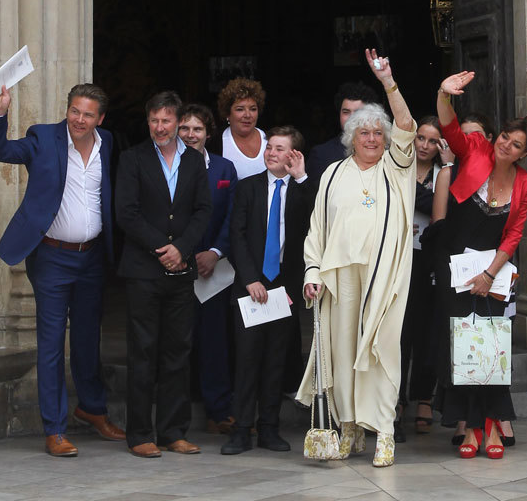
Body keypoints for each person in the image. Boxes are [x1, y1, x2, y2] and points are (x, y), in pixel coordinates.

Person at [0, 82, 125, 458]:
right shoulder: (43, 138)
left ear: (100, 119)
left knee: (87, 339)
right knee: (50, 343)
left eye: (88, 114)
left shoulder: (107, 143)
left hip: (92, 257)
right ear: (67, 110)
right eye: (75, 111)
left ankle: (92, 409)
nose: (79, 119)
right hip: (52, 258)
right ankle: (55, 429)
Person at [297, 49, 416, 468]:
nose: (371, 139)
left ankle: (384, 430)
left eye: (378, 133)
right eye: (363, 132)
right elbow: (317, 229)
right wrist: (312, 272)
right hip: (340, 278)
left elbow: (406, 125)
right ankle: (349, 426)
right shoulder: (333, 174)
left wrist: (388, 82)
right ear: (351, 136)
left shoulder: (397, 168)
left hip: (383, 278)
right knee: (343, 354)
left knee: (381, 352)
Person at [432, 74, 527, 460]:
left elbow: (513, 235)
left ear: (523, 153)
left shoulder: (526, 186)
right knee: (464, 345)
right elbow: (449, 126)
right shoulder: (476, 149)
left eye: (516, 144)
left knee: (492, 346)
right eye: (505, 137)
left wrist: (490, 274)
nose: (506, 145)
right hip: (456, 267)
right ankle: (472, 427)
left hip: (493, 270)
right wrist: (444, 94)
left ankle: (492, 424)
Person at [115, 90, 211, 458]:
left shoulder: (194, 161)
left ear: (177, 121)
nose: (159, 127)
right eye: (154, 120)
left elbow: (203, 211)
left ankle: (173, 432)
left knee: (177, 352)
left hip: (181, 272)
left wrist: (182, 249)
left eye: (166, 120)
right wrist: (163, 249)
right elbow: (126, 213)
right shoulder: (132, 158)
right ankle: (140, 433)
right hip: (143, 271)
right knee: (143, 352)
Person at [223, 126, 310, 455]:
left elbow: (316, 221)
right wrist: (249, 278)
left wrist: (301, 178)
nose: (271, 153)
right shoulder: (248, 188)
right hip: (251, 284)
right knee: (247, 358)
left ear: (294, 155)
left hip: (284, 286)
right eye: (269, 147)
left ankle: (269, 428)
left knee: (276, 359)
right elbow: (236, 234)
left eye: (279, 148)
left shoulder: (303, 189)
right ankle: (241, 429)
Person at [177, 102, 238, 434]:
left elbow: (233, 216)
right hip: (175, 266)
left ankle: (219, 410)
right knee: (176, 342)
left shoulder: (225, 169)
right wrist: (182, 254)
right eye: (184, 128)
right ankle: (175, 414)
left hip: (213, 271)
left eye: (197, 128)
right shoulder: (166, 166)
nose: (190, 134)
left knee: (215, 341)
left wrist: (215, 252)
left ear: (208, 133)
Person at [397, 116, 453, 438]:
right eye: (421, 138)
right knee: (400, 331)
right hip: (399, 259)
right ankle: (396, 398)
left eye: (433, 141)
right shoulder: (398, 166)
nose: (425, 146)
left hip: (429, 259)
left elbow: (444, 207)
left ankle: (423, 397)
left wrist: (416, 195)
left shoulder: (443, 173)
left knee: (427, 332)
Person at [305, 81, 378, 185]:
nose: (351, 118)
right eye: (346, 112)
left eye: (358, 112)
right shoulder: (321, 154)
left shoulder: (381, 151)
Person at [218, 77, 267, 179]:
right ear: (227, 113)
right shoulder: (216, 143)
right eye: (240, 109)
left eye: (253, 109)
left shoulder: (269, 139)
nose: (248, 115)